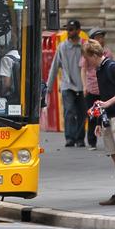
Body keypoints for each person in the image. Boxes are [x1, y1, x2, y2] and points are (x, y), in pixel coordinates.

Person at [82, 39, 115, 206]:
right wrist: (101, 120)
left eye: (88, 59)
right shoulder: (100, 69)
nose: (87, 63)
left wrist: (108, 103)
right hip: (109, 117)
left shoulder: (112, 67)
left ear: (95, 55)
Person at [46, 19, 86, 147]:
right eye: (68, 29)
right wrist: (49, 86)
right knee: (69, 111)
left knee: (81, 113)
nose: (69, 32)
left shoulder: (84, 46)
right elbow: (54, 66)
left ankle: (80, 139)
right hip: (67, 85)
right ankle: (69, 138)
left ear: (78, 31)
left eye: (72, 29)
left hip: (82, 86)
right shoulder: (62, 47)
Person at [80, 28, 113, 150]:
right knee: (92, 115)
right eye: (98, 37)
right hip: (92, 87)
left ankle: (107, 139)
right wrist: (84, 85)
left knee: (104, 115)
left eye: (102, 37)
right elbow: (83, 69)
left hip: (103, 88)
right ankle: (92, 141)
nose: (101, 39)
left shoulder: (107, 53)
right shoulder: (87, 53)